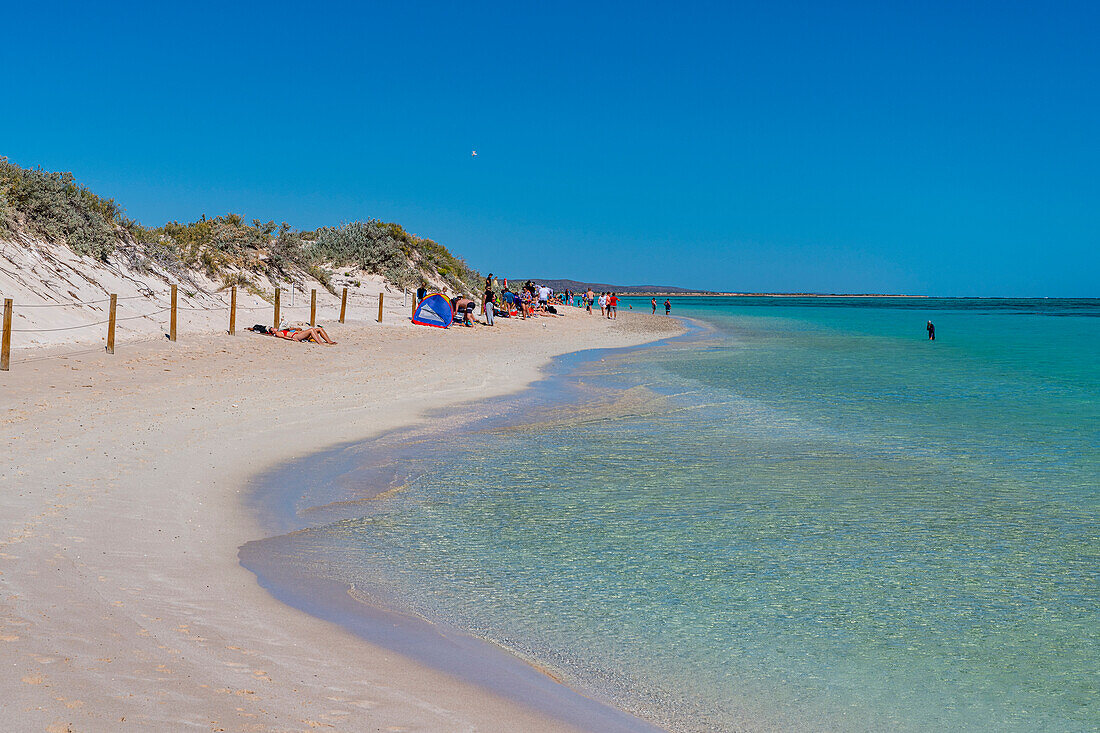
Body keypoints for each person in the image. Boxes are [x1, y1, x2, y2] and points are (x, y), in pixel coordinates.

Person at [263, 325, 338, 345]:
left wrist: (293, 328)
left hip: (299, 333)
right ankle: (320, 343)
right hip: (296, 336)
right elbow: (284, 337)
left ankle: (329, 341)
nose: (274, 328)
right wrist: (293, 339)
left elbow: (298, 329)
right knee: (311, 330)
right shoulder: (277, 333)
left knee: (319, 329)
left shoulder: (281, 330)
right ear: (271, 331)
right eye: (272, 328)